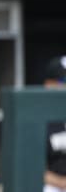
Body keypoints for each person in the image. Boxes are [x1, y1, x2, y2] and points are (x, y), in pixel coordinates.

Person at [43, 56, 66, 192]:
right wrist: (62, 182)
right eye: (64, 81)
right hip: (53, 186)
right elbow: (31, 166)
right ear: (49, 84)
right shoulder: (40, 117)